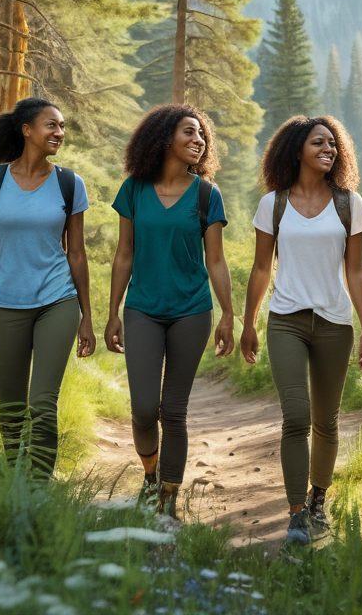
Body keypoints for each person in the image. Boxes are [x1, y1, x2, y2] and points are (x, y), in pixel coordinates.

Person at [239, 116, 362, 546]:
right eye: (319, 142)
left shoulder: (349, 203)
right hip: (286, 320)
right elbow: (262, 268)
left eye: (333, 144)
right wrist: (248, 323)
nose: (329, 149)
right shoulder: (273, 204)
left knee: (326, 421)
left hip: (335, 323)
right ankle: (297, 511)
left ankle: (319, 499)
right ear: (297, 149)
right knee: (296, 416)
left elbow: (355, 271)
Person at [103, 104, 235, 519]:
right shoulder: (134, 190)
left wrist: (229, 314)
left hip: (191, 311)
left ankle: (167, 502)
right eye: (189, 133)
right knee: (144, 408)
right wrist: (113, 312)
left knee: (173, 410)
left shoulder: (206, 194)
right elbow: (124, 254)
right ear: (164, 139)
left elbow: (216, 260)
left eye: (202, 136)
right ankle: (150, 476)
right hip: (142, 308)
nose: (198, 140)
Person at [0, 97, 95, 478]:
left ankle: (38, 486)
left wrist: (87, 317)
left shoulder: (69, 184)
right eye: (52, 125)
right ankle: (14, 481)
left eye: (62, 126)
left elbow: (77, 254)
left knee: (42, 402)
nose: (59, 133)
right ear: (27, 130)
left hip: (57, 301)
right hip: (4, 304)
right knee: (12, 407)